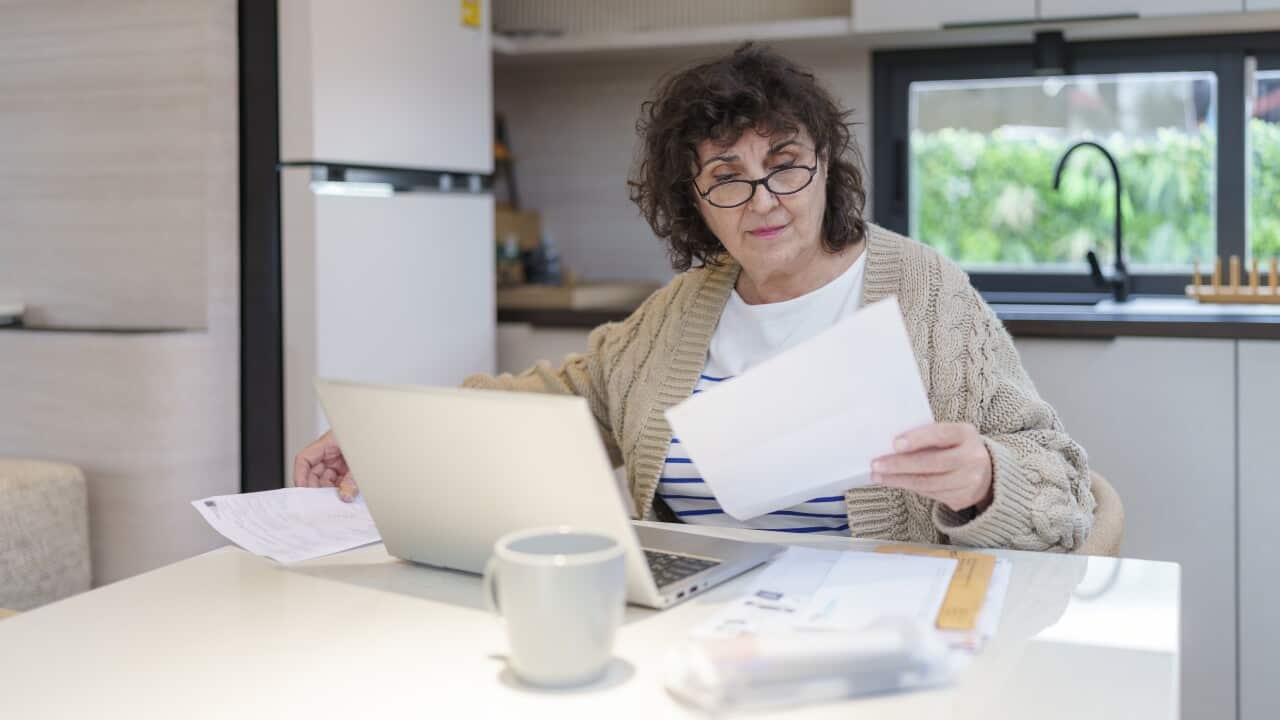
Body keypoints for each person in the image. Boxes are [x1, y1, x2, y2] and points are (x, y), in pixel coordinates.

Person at [295, 44, 1095, 552]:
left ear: (826, 167)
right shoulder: (678, 313)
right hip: (692, 622)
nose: (764, 201)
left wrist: (986, 476)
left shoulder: (925, 291)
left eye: (785, 164)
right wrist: (379, 439)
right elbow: (542, 407)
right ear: (694, 203)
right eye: (726, 178)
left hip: (880, 624)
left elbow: (1058, 475)